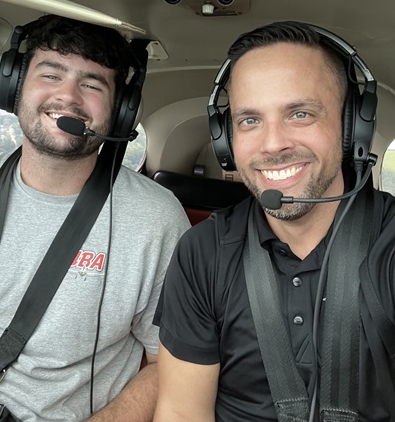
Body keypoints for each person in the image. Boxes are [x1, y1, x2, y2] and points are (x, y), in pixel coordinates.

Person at [153, 21, 395, 421]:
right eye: (250, 120)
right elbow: (181, 412)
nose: (272, 144)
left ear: (352, 128)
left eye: (300, 113)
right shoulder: (202, 253)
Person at [0, 14, 190, 421]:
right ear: (14, 85)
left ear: (121, 111)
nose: (68, 97)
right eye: (51, 74)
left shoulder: (154, 220)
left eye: (92, 84)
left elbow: (172, 361)